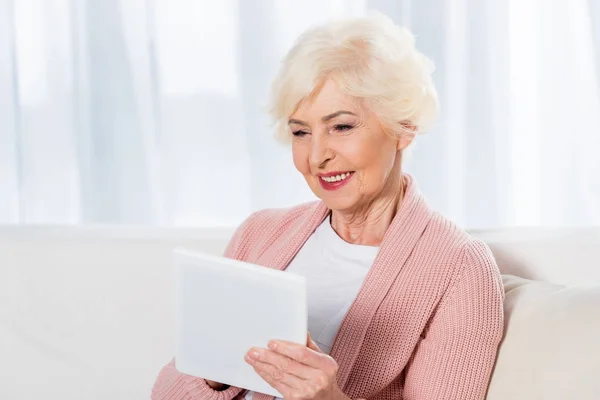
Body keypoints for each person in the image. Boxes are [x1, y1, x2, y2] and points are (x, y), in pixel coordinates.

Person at [152, 12, 504, 400]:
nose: (317, 156)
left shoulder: (459, 268)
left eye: (342, 127)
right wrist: (215, 375)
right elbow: (166, 390)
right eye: (301, 132)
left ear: (403, 127)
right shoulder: (260, 234)